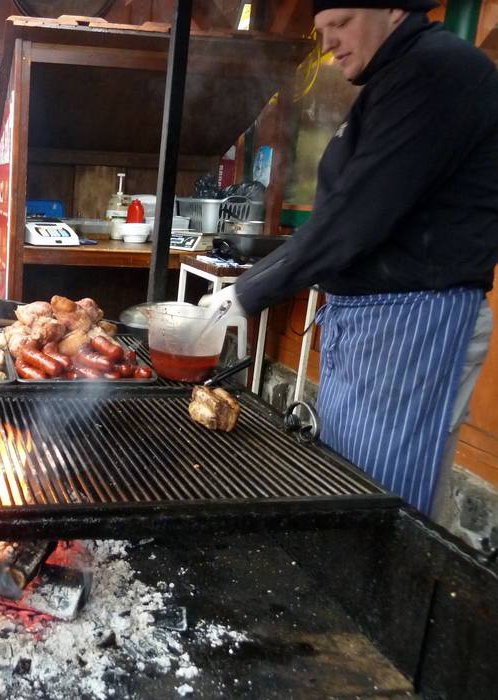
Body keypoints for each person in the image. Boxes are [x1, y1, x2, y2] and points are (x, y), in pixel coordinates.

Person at [202, 0, 498, 515]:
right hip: (376, 329)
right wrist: (245, 289)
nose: (330, 42)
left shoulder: (436, 71)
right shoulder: (393, 79)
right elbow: (342, 212)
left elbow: (358, 214)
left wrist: (246, 294)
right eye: (323, 29)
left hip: (412, 328)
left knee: (379, 505)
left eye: (342, 23)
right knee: (347, 486)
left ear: (394, 9)